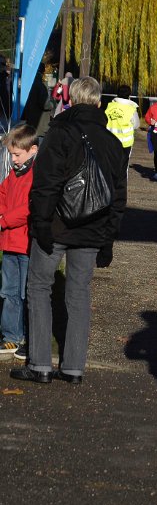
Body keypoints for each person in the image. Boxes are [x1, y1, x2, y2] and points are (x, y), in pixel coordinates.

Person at [10, 77, 127, 385]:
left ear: (71, 100)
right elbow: (118, 197)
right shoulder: (113, 143)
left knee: (39, 288)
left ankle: (39, 364)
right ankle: (74, 367)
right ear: (99, 103)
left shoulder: (59, 133)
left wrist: (41, 224)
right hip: (92, 230)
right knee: (79, 294)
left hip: (56, 227)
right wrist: (108, 240)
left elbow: (46, 185)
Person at [0, 124, 38, 360]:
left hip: (25, 243)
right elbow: (2, 194)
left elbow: (29, 208)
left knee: (26, 293)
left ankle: (29, 338)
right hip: (10, 243)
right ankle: (12, 335)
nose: (13, 160)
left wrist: (4, 219)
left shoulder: (36, 174)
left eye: (17, 155)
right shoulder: (15, 174)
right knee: (9, 292)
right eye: (11, 155)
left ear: (32, 150)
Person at [105, 84, 140, 165]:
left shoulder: (110, 106)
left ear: (117, 94)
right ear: (129, 95)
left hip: (110, 140)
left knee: (111, 164)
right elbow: (136, 125)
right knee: (123, 166)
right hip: (125, 143)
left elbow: (105, 120)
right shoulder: (131, 109)